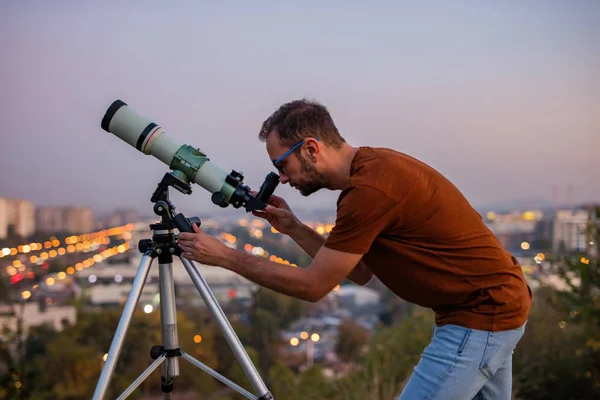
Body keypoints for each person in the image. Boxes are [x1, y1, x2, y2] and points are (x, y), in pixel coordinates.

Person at [177, 99, 533, 400]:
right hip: (493, 302)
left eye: (281, 166)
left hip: (481, 313)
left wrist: (224, 256)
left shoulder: (368, 192)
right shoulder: (372, 171)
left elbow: (313, 287)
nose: (282, 179)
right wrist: (294, 229)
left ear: (311, 149)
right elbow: (360, 273)